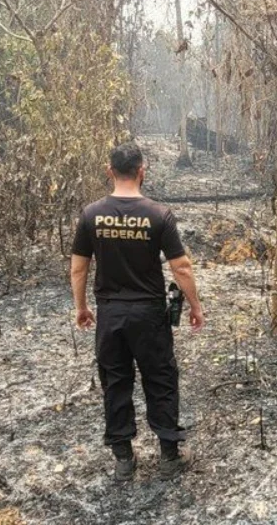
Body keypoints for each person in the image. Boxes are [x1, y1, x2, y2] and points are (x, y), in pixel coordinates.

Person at [70, 142, 204, 482]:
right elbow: (182, 268)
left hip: (111, 314)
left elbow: (78, 269)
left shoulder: (90, 215)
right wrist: (195, 306)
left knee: (115, 382)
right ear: (142, 171)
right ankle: (169, 456)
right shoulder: (158, 215)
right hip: (148, 314)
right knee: (160, 378)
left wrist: (82, 307)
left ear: (109, 170)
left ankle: (124, 461)